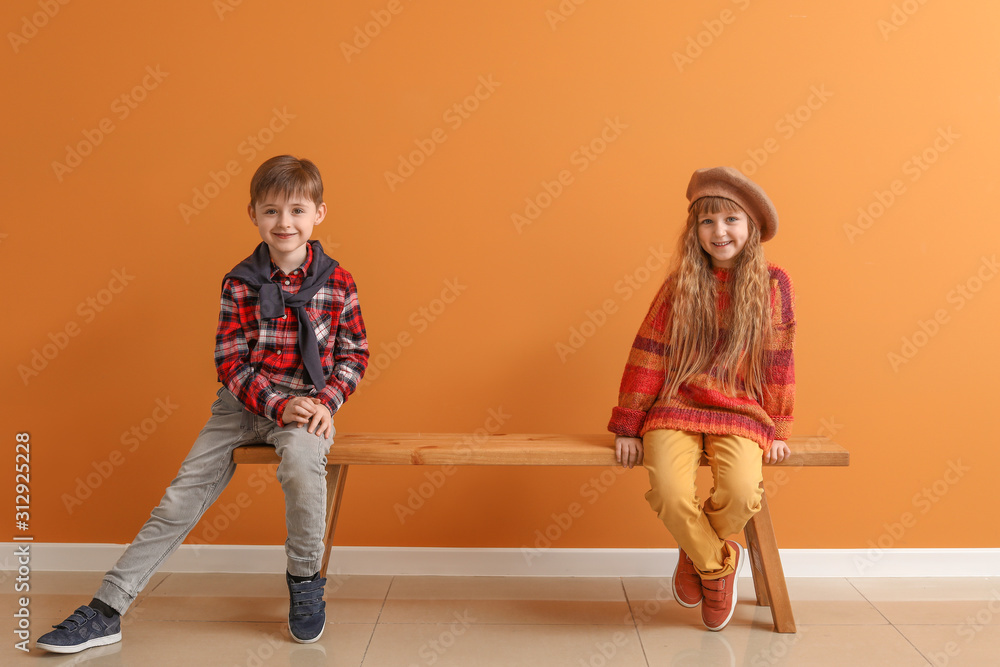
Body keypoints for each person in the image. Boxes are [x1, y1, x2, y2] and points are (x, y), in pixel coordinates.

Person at [37, 155, 369, 653]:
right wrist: (276, 406)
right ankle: (107, 608)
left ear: (318, 214)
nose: (285, 223)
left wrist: (324, 402)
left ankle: (305, 582)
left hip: (307, 406)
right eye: (272, 211)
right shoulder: (239, 282)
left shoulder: (339, 282)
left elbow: (354, 353)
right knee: (178, 500)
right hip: (241, 408)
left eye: (297, 211)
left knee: (302, 465)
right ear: (253, 215)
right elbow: (231, 365)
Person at [609, 166, 795, 631]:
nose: (719, 232)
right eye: (707, 221)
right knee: (670, 492)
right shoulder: (679, 286)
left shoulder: (773, 283)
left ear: (751, 227)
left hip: (741, 411)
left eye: (731, 220)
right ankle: (716, 564)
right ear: (695, 229)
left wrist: (779, 427)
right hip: (675, 407)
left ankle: (697, 553)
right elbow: (649, 353)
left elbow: (779, 358)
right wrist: (629, 423)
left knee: (739, 492)